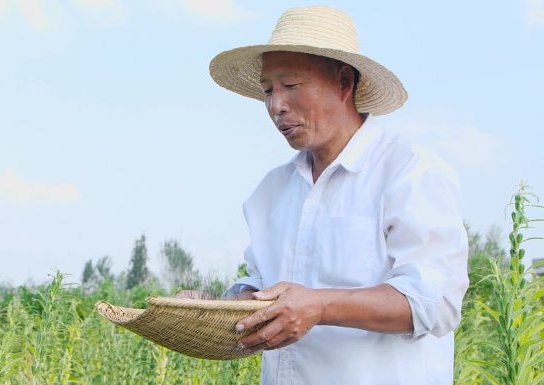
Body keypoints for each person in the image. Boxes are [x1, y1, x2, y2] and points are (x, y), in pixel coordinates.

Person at [200, 5, 468, 385]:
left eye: (290, 85)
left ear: (344, 82)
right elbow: (261, 286)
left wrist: (319, 305)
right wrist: (220, 308)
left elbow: (434, 303)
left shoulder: (409, 171)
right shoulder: (271, 191)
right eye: (267, 90)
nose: (276, 105)